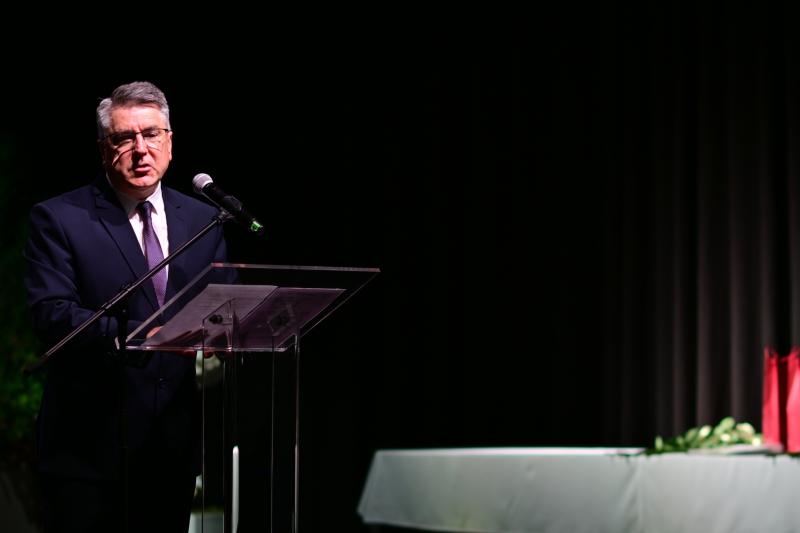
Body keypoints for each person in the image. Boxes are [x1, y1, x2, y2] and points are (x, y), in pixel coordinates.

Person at [24, 81, 231, 532]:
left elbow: (221, 305)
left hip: (171, 447)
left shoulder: (204, 219)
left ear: (170, 142)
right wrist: (139, 336)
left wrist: (228, 331)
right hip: (89, 450)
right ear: (104, 149)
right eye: (124, 138)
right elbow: (51, 312)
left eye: (151, 134)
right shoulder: (60, 218)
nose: (140, 149)